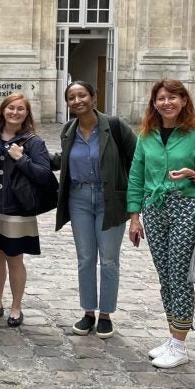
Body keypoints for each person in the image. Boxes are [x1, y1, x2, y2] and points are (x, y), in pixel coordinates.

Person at [127, 79, 195, 369]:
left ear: (183, 101)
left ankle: (179, 346)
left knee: (179, 275)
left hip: (186, 208)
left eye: (173, 97)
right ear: (154, 103)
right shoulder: (146, 136)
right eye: (161, 98)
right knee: (165, 275)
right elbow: (136, 178)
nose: (166, 103)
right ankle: (172, 337)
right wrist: (134, 217)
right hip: (154, 209)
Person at [56, 80, 135, 339]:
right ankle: (89, 312)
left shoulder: (114, 126)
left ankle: (105, 315)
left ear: (94, 98)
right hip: (79, 198)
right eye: (72, 97)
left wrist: (135, 203)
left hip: (110, 199)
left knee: (109, 259)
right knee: (86, 258)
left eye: (82, 95)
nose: (77, 100)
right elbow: (63, 159)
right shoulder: (69, 130)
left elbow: (138, 159)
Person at [0, 93, 55, 328]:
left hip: (18, 210)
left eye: (20, 109)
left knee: (15, 258)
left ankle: (16, 306)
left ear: (27, 114)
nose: (15, 112)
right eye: (11, 108)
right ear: (3, 110)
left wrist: (21, 158)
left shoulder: (34, 142)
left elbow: (45, 175)